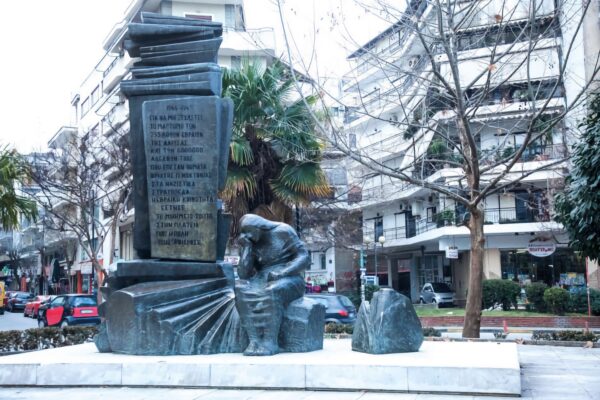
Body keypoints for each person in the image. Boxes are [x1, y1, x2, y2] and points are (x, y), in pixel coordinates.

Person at [234, 214, 310, 356]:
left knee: (273, 289)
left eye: (249, 231)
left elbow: (304, 257)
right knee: (240, 288)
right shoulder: (249, 242)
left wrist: (283, 272)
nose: (247, 236)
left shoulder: (283, 231)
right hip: (261, 278)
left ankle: (270, 341)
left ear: (259, 228)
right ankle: (254, 341)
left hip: (290, 277)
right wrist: (247, 248)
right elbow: (243, 274)